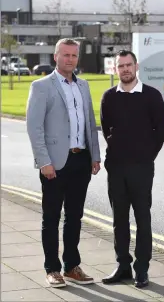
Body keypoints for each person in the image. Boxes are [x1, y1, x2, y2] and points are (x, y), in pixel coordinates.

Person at [26, 38, 101, 288]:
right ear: (55, 56)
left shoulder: (84, 86)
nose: (70, 59)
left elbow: (90, 123)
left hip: (81, 160)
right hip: (55, 163)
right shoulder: (42, 86)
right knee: (51, 218)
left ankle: (71, 266)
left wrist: (95, 155)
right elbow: (34, 127)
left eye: (74, 55)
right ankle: (52, 268)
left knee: (75, 217)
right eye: (65, 55)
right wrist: (43, 161)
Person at [100, 50, 164, 288]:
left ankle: (142, 269)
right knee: (119, 220)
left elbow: (161, 131)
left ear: (136, 66)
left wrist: (146, 156)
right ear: (116, 69)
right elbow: (106, 127)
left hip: (141, 169)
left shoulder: (151, 96)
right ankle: (123, 266)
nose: (125, 69)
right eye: (121, 66)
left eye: (129, 65)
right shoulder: (109, 97)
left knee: (142, 219)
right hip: (116, 169)